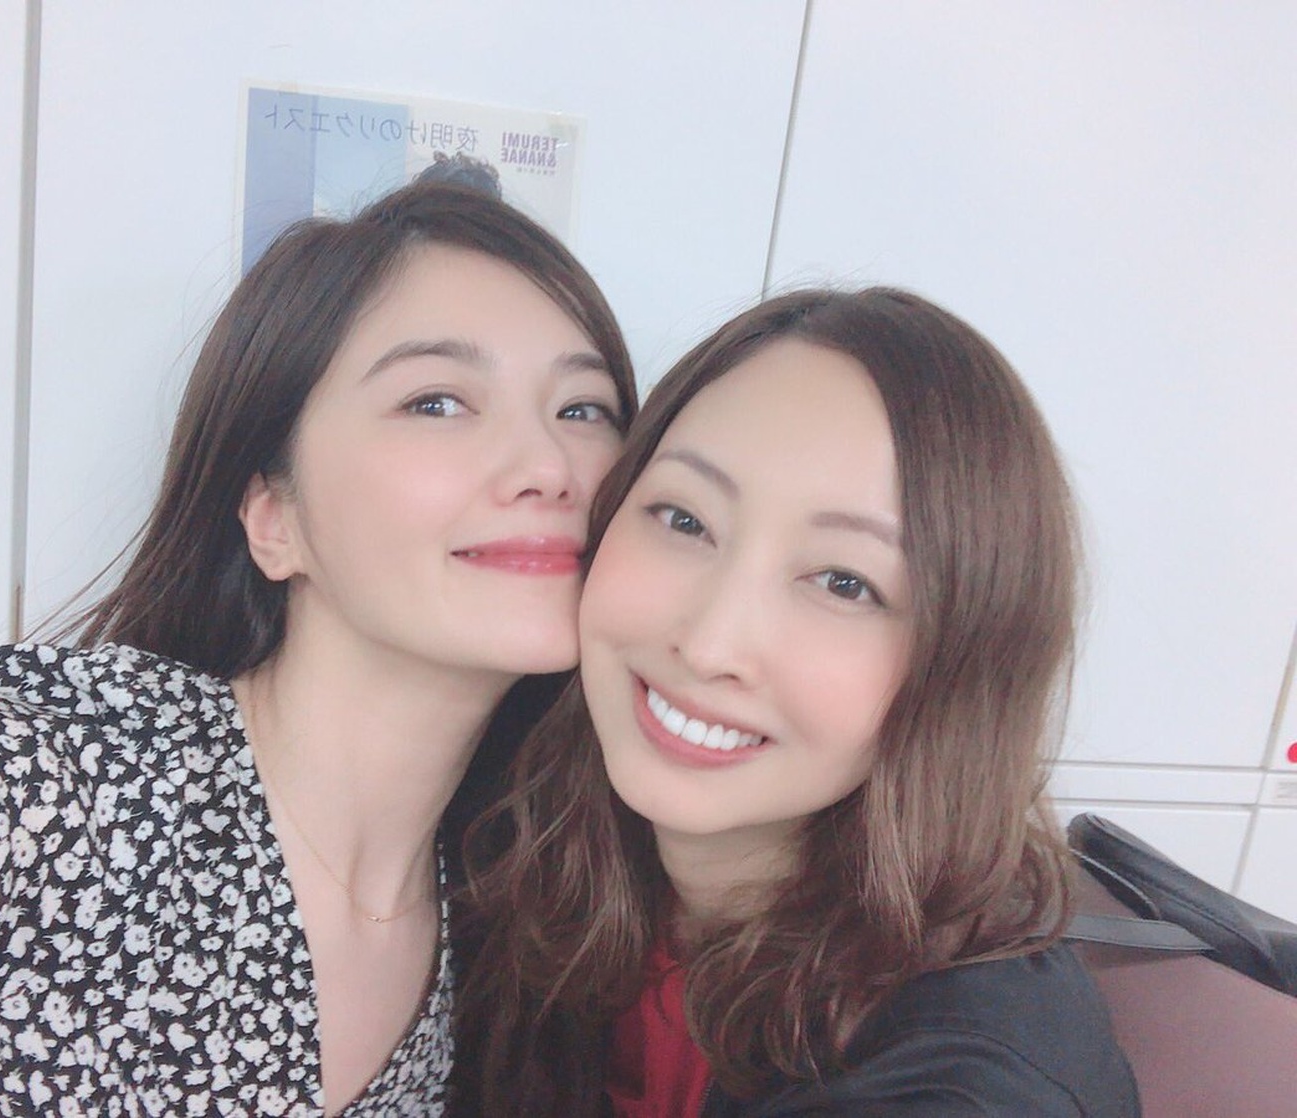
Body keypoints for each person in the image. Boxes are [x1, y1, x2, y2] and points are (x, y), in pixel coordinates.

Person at [0, 179, 637, 1116]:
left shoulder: (513, 908)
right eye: (437, 402)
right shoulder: (52, 784)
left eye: (583, 409)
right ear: (274, 518)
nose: (547, 467)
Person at [456, 288, 1141, 1116]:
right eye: (682, 519)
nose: (709, 645)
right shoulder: (543, 837)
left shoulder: (962, 1080)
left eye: (843, 583)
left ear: (960, 669)